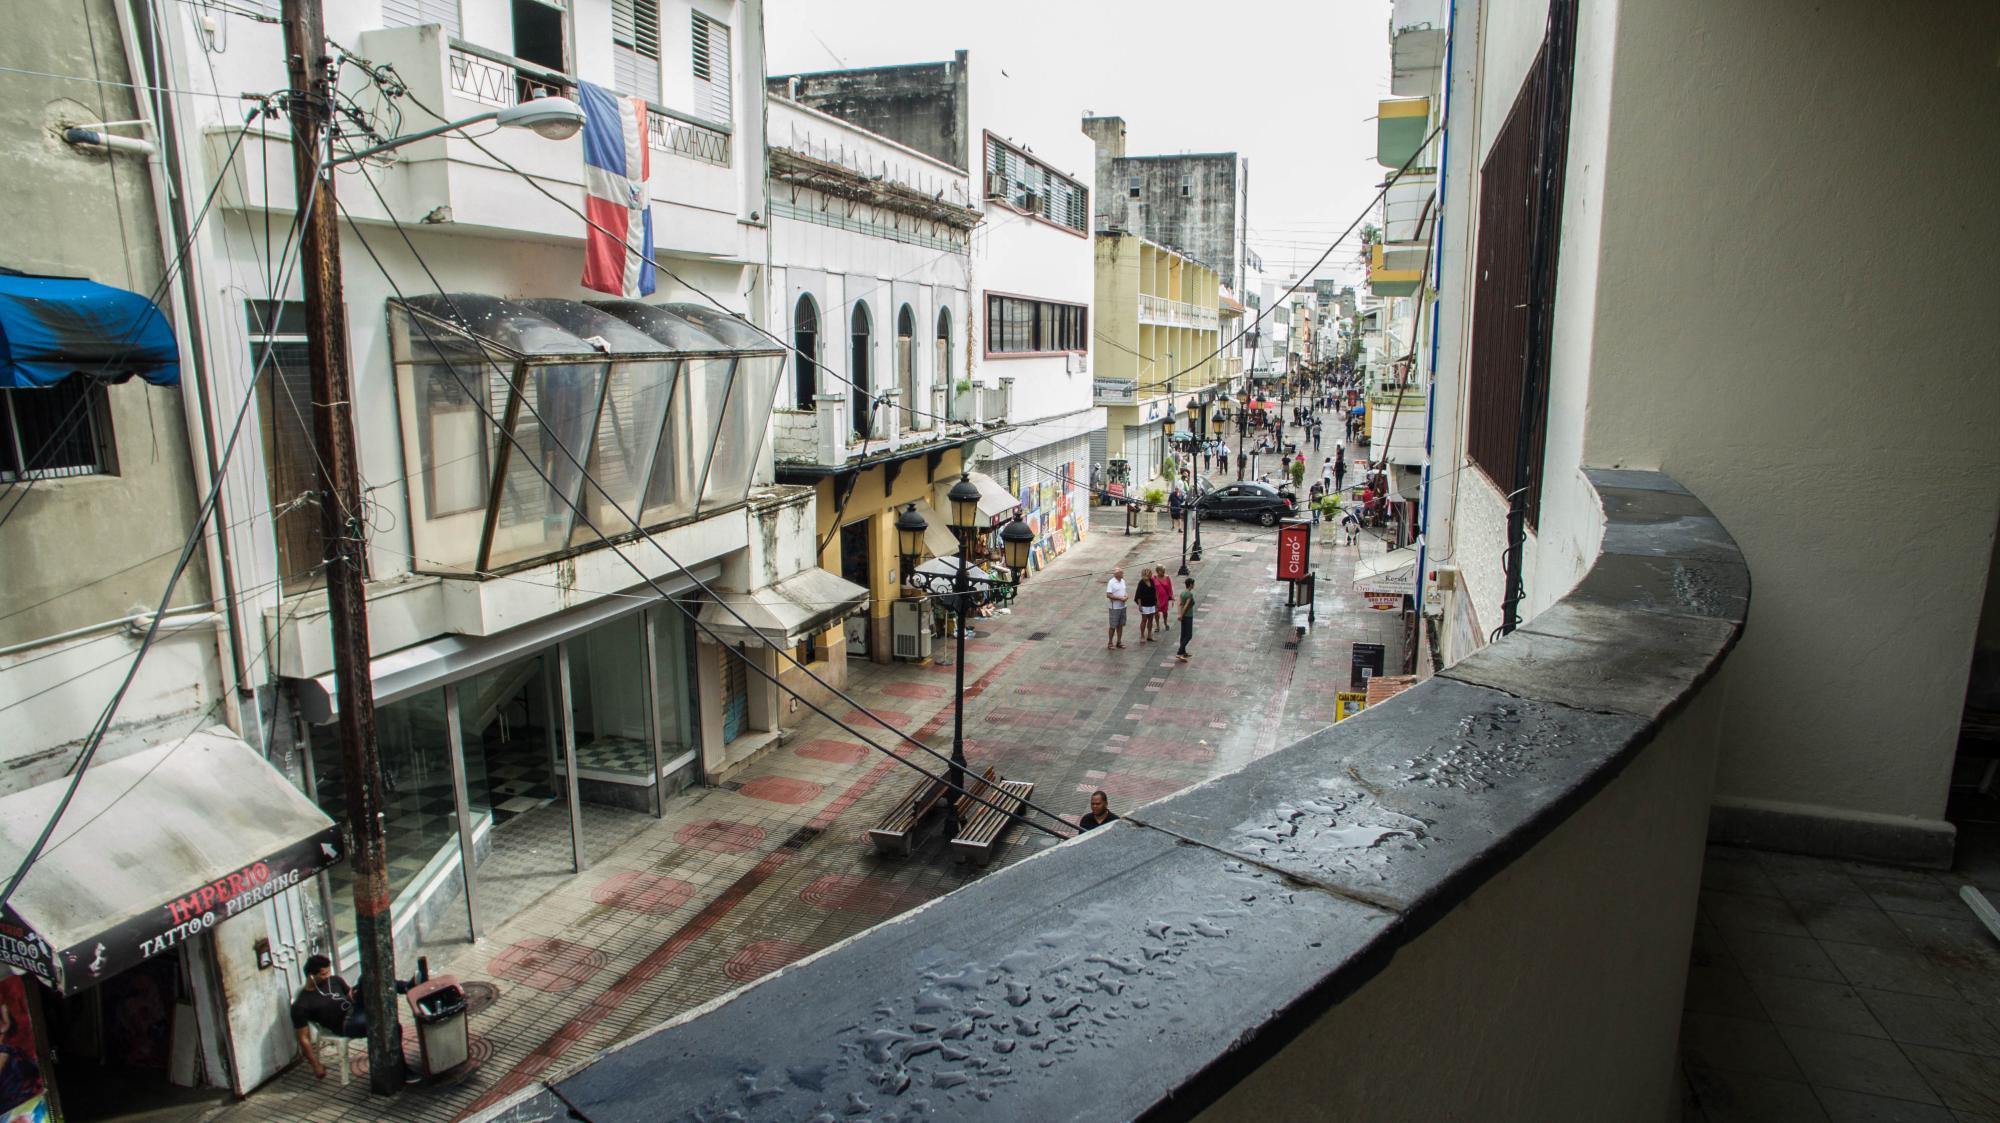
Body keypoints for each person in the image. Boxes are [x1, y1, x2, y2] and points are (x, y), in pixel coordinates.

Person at [291, 955, 419, 1082]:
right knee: (389, 1027)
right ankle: (402, 1071)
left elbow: (349, 993)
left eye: (329, 971)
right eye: (324, 974)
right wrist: (316, 1065)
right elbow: (303, 1038)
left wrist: (354, 993)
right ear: (311, 976)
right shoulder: (302, 1004)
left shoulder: (334, 980)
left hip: (355, 1007)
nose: (328, 976)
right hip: (345, 1024)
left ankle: (407, 986)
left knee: (366, 977)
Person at [1134, 559, 1159, 641]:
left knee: (1151, 620)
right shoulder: (1141, 583)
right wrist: (1140, 605)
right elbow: (1138, 595)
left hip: (1151, 603)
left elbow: (1155, 591)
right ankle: (1142, 635)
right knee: (1144, 619)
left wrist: (1156, 602)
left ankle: (1149, 635)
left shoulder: (1152, 581)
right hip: (1144, 604)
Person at [1105, 566, 1128, 649]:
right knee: (1113, 626)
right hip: (1114, 608)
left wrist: (1126, 597)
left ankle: (1119, 642)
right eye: (1121, 572)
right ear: (1117, 574)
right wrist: (1119, 598)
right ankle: (1110, 643)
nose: (1123, 574)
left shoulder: (1123, 581)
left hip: (1123, 606)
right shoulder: (1111, 582)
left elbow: (1125, 592)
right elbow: (1108, 595)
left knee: (1120, 625)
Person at [1175, 574, 1197, 662]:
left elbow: (1179, 604)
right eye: (1193, 584)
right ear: (1191, 585)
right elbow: (1186, 605)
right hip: (1188, 616)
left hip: (1183, 616)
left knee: (1183, 634)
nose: (1194, 585)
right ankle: (1179, 652)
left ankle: (1183, 652)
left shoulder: (1182, 593)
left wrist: (1179, 614)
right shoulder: (1189, 594)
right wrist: (1182, 615)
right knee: (1189, 635)